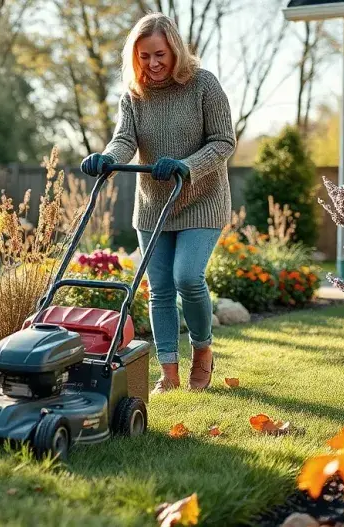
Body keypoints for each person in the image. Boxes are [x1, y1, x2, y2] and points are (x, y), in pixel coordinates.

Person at [80, 12, 235, 393]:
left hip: (202, 198)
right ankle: (168, 371)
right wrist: (107, 159)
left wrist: (185, 165)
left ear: (175, 50)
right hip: (152, 204)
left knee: (187, 277)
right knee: (160, 286)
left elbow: (223, 141)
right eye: (144, 56)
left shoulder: (204, 85)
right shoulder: (134, 95)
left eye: (160, 54)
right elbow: (124, 140)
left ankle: (202, 352)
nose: (153, 64)